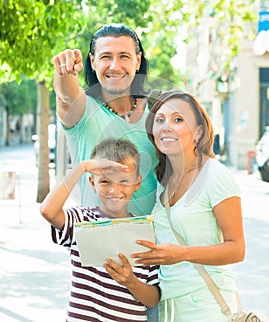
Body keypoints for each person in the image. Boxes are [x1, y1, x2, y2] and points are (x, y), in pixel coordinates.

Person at [131, 90, 246, 321]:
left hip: (207, 304)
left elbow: (237, 249)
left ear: (198, 131)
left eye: (178, 120)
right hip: (168, 305)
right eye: (160, 120)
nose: (166, 127)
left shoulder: (214, 174)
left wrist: (182, 254)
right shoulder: (164, 180)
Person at [40, 138, 160, 322]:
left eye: (123, 181)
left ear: (137, 184)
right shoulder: (81, 221)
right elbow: (48, 210)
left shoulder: (146, 233)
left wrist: (130, 282)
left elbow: (153, 299)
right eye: (105, 181)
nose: (114, 190)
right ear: (92, 183)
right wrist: (81, 167)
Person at [52, 23, 158, 216]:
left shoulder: (158, 112)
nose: (115, 66)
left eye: (124, 56)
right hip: (97, 240)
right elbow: (66, 96)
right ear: (93, 62)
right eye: (106, 57)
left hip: (152, 241)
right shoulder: (83, 111)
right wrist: (63, 72)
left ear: (137, 60)